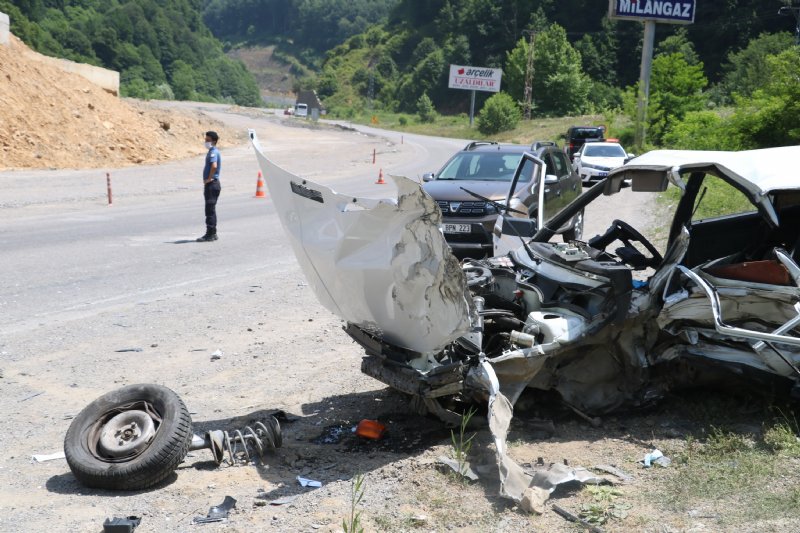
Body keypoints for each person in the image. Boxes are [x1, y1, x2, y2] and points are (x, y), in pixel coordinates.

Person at [197, 131, 222, 242]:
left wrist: (209, 178)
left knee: (209, 210)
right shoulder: (213, 151)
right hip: (213, 184)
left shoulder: (213, 152)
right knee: (211, 209)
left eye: (208, 140)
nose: (206, 142)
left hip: (212, 184)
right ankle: (213, 233)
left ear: (214, 141)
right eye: (205, 140)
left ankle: (210, 234)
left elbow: (214, 166)